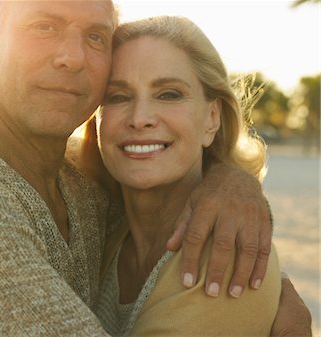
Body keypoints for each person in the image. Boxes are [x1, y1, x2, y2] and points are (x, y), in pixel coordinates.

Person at [0, 1, 311, 336]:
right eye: (45, 26)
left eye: (97, 37)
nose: (73, 57)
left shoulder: (85, 189)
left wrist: (230, 181)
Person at [81, 15, 304, 336]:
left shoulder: (228, 255)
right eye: (117, 96)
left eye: (169, 94)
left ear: (212, 118)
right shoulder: (97, 227)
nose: (140, 118)